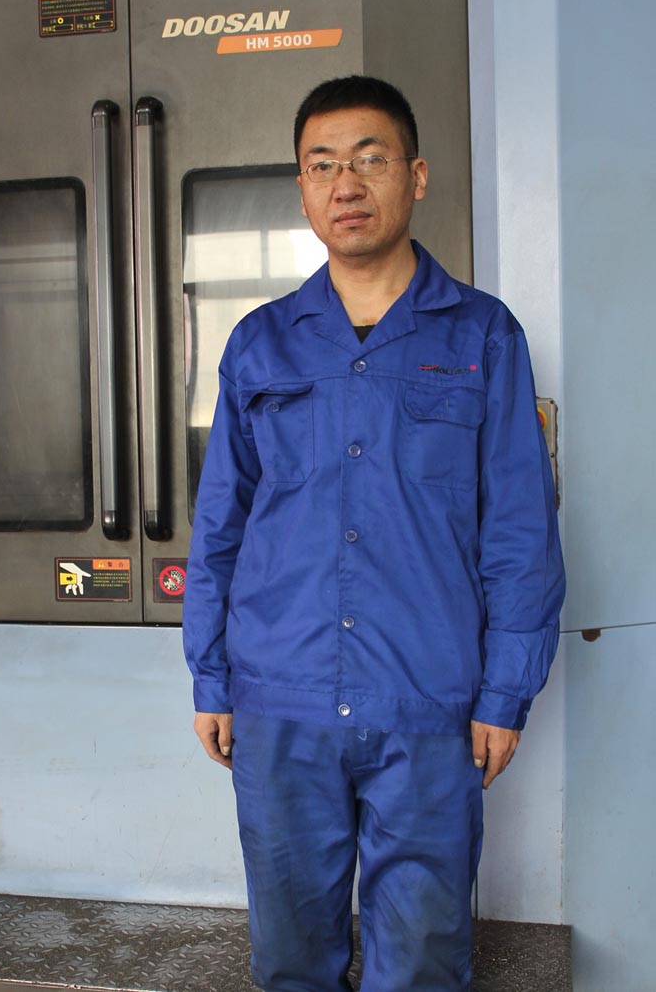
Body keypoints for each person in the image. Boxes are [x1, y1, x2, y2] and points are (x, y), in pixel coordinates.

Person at [183, 75, 565, 992]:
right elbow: (221, 522)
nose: (345, 184)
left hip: (430, 701)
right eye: (322, 165)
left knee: (424, 959)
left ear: (416, 175)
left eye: (369, 158)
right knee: (290, 960)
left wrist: (505, 691)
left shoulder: (483, 337)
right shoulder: (261, 344)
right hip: (280, 698)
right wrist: (211, 673)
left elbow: (520, 527)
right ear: (303, 189)